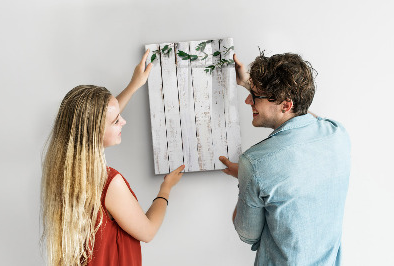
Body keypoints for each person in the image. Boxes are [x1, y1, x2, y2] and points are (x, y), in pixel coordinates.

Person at [40, 50, 185, 266]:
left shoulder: (63, 171)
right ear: (94, 132)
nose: (124, 122)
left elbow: (99, 118)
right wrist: (166, 188)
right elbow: (147, 231)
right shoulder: (108, 183)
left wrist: (134, 84)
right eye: (116, 121)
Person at [219, 52, 351, 265]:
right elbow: (305, 115)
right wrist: (248, 83)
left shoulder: (254, 163)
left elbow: (247, 234)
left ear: (286, 105)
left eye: (255, 96)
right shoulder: (337, 134)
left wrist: (246, 177)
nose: (247, 100)